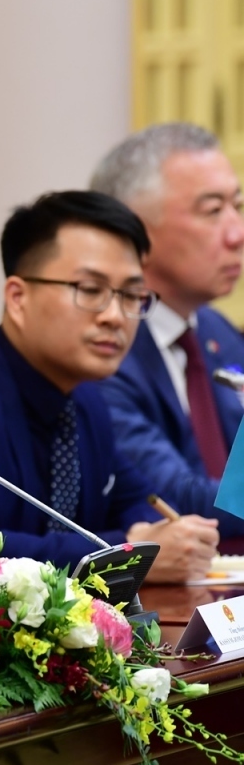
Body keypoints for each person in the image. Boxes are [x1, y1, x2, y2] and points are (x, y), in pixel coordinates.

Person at [0, 191, 220, 581]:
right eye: (90, 290)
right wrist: (123, 553)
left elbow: (139, 503)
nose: (115, 316)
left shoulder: (85, 399)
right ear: (18, 298)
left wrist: (159, 536)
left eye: (132, 295)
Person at [92, 123, 244, 532]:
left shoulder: (218, 333)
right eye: (213, 211)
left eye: (238, 206)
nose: (237, 233)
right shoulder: (103, 342)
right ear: (135, 231)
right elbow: (174, 499)